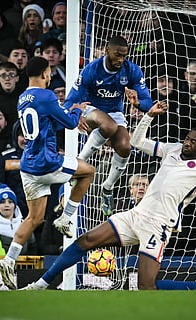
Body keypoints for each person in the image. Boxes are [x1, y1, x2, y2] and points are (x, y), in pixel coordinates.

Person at [19, 101, 196, 291]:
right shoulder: (171, 149)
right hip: (135, 215)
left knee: (146, 287)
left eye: (194, 142)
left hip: (158, 225)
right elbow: (136, 142)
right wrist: (148, 116)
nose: (187, 143)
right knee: (85, 240)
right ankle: (42, 283)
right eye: (187, 138)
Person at [0, 56, 95, 289]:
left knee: (34, 218)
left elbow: (47, 121)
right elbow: (70, 124)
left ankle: (9, 259)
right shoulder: (46, 95)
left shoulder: (23, 97)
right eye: (49, 72)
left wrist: (68, 112)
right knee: (88, 171)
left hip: (28, 165)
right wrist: (77, 110)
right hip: (47, 162)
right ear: (44, 73)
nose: (50, 75)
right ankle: (66, 217)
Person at [64, 35, 153, 216]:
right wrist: (75, 114)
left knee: (125, 146)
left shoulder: (131, 70)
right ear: (107, 51)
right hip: (90, 110)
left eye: (124, 56)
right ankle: (78, 164)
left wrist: (137, 103)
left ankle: (107, 187)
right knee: (109, 125)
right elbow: (71, 99)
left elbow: (147, 102)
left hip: (114, 113)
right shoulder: (92, 70)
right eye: (117, 55)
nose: (121, 60)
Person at [0, 184, 37, 255]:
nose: (7, 205)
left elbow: (33, 246)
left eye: (10, 202)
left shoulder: (24, 223)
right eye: (2, 202)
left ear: (15, 205)